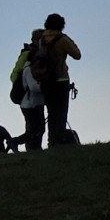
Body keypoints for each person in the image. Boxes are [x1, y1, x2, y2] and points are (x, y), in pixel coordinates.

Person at [37, 14, 82, 147]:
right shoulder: (62, 39)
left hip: (46, 80)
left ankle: (51, 141)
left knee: (51, 112)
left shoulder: (42, 39)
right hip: (61, 78)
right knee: (61, 111)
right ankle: (60, 139)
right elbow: (77, 55)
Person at [10, 30, 47, 151]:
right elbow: (33, 86)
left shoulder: (30, 61)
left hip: (33, 102)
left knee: (37, 129)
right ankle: (16, 143)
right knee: (35, 130)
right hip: (30, 103)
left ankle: (29, 147)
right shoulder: (28, 65)